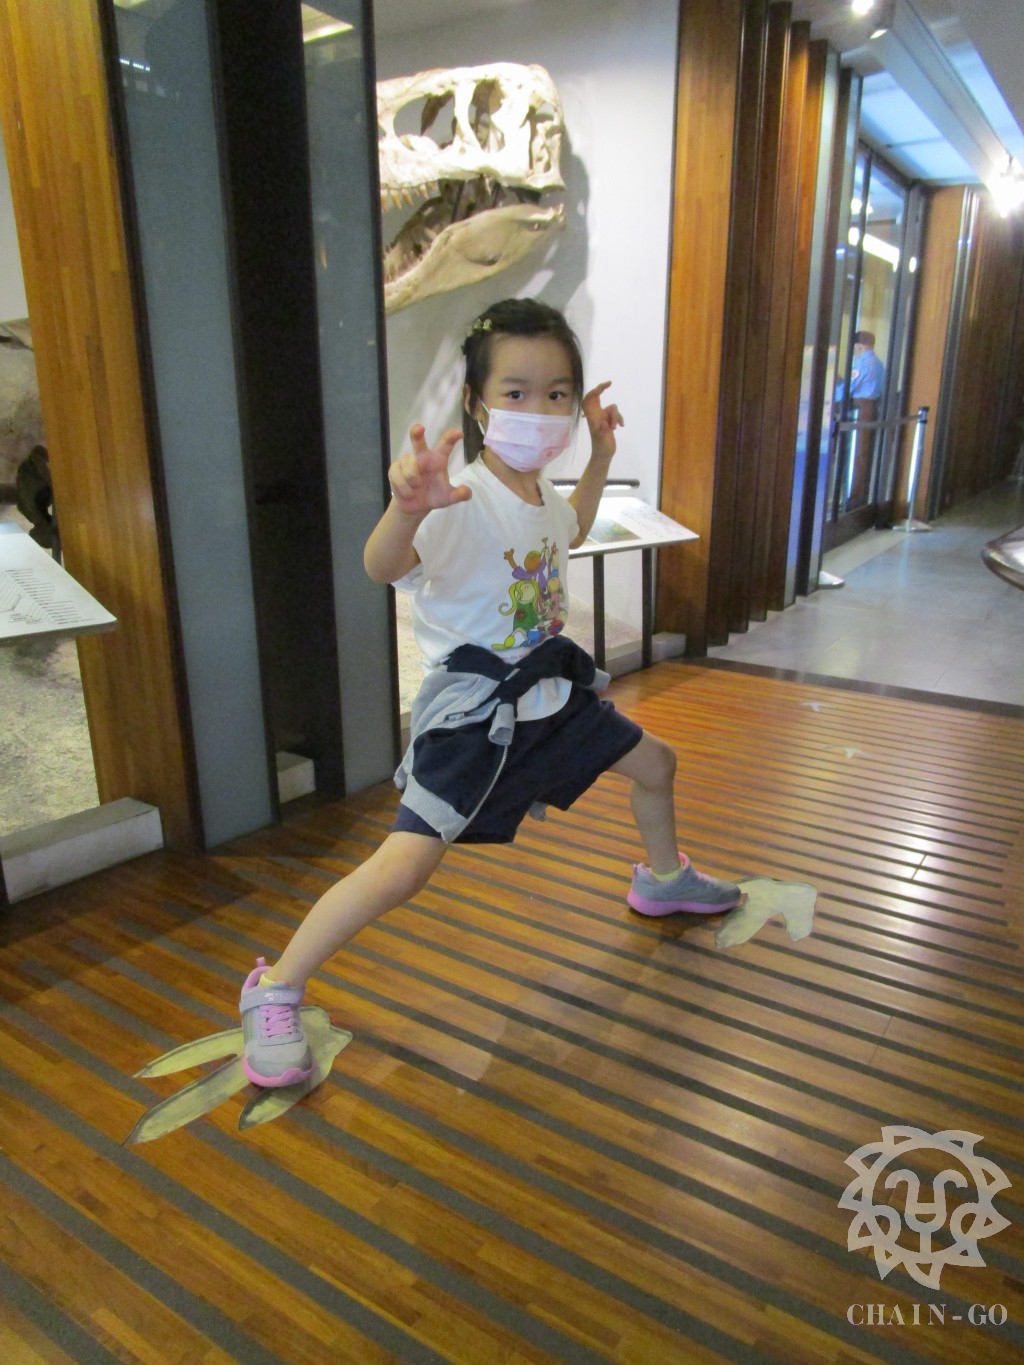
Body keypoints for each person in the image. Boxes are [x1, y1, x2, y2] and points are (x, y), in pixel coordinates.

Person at [239, 297, 741, 1088]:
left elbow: (571, 529)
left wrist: (601, 457)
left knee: (657, 763)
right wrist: (406, 509)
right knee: (401, 869)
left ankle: (662, 878)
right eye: (516, 391)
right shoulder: (459, 497)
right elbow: (380, 565)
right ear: (477, 404)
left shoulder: (539, 494)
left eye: (557, 393)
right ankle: (274, 987)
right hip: (478, 716)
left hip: (549, 696)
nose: (539, 409)